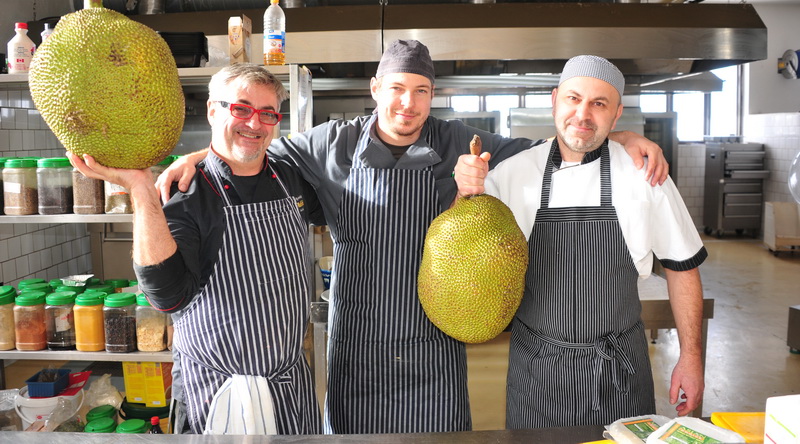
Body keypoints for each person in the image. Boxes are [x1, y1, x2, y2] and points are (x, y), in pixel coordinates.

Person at [157, 40, 670, 434]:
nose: (408, 103)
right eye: (397, 88)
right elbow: (254, 147)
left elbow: (552, 150)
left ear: (432, 96)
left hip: (433, 349)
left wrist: (620, 136)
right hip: (358, 345)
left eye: (421, 91)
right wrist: (200, 156)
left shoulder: (457, 140)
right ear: (376, 88)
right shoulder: (330, 144)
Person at [68, 64, 324, 435]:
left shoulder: (289, 176)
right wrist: (141, 189)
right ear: (212, 110)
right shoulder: (185, 191)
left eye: (267, 113)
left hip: (288, 387)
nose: (255, 123)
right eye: (241, 108)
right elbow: (167, 296)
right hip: (215, 392)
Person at [453, 54, 706, 428]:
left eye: (599, 104)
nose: (583, 114)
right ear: (555, 100)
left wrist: (691, 358)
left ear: (616, 115)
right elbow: (462, 247)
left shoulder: (645, 175)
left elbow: (682, 267)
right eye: (574, 98)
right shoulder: (510, 173)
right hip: (536, 374)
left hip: (619, 372)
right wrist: (463, 192)